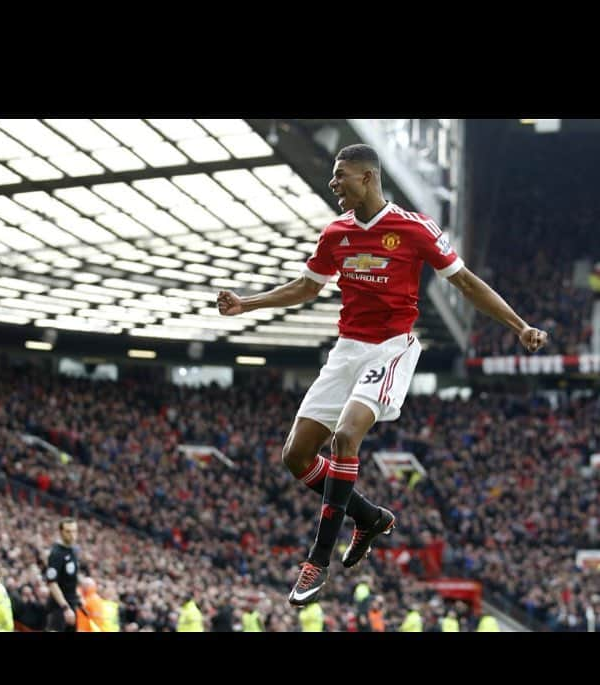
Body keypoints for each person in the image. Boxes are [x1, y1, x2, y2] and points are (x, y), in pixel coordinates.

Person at [217, 143, 549, 606]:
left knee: (346, 438)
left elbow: (466, 282)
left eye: (341, 175)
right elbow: (306, 287)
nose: (334, 183)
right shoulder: (335, 234)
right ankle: (370, 516)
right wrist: (246, 303)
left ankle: (318, 561)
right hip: (346, 350)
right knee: (295, 456)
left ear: (368, 177)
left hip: (391, 349)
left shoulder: (414, 229)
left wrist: (520, 326)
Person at [45, 519, 80, 632]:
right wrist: (65, 608)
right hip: (59, 608)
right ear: (61, 532)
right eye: (68, 531)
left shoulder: (72, 551)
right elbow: (52, 583)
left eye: (74, 531)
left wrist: (78, 598)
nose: (72, 535)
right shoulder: (56, 553)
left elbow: (70, 579)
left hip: (71, 603)